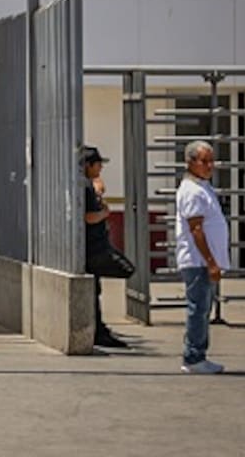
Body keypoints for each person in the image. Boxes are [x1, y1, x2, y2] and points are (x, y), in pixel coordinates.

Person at [175, 140, 230, 374]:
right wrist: (211, 262)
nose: (209, 166)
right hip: (197, 261)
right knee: (198, 309)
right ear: (190, 162)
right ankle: (194, 357)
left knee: (202, 308)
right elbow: (196, 229)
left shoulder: (203, 187)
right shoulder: (192, 191)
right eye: (204, 161)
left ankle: (197, 355)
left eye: (211, 161)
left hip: (203, 261)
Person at [79, 145, 134, 349]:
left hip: (95, 246)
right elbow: (88, 217)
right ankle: (98, 332)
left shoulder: (88, 185)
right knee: (126, 268)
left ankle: (99, 331)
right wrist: (104, 214)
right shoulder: (85, 187)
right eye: (98, 164)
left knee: (95, 290)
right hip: (94, 248)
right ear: (88, 165)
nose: (101, 168)